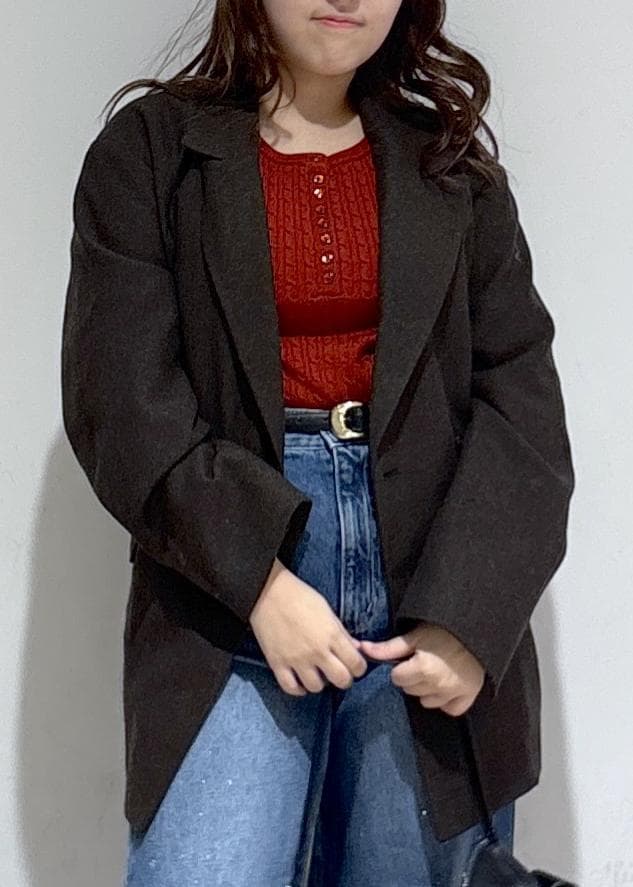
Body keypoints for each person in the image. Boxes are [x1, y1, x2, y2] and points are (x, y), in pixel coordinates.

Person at [61, 1, 575, 884]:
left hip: (430, 586)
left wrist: (468, 617)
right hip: (221, 594)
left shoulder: (451, 164)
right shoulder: (148, 153)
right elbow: (120, 400)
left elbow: (520, 401)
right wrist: (258, 581)